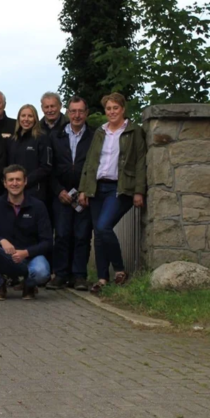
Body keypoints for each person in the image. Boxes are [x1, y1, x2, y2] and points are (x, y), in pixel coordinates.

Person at [79, 92, 146, 294]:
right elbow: (90, 162)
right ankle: (102, 278)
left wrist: (139, 191)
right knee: (98, 234)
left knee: (103, 226)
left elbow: (141, 162)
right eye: (108, 108)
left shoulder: (134, 131)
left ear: (123, 109)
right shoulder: (101, 132)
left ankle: (119, 269)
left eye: (115, 108)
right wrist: (83, 189)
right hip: (97, 187)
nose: (112, 112)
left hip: (120, 188)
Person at [0, 165, 52, 300]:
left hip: (30, 257)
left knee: (42, 272)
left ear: (25, 181)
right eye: (10, 180)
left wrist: (26, 253)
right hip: (4, 256)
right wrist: (1, 241)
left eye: (18, 179)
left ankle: (29, 285)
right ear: (5, 183)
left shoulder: (38, 206)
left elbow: (47, 241)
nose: (14, 183)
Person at [47, 96, 94, 291]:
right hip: (62, 193)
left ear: (86, 113)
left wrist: (86, 190)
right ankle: (60, 274)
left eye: (80, 111)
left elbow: (95, 166)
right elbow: (48, 168)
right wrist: (58, 190)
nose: (77, 115)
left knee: (82, 235)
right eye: (73, 111)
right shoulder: (55, 136)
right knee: (63, 234)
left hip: (84, 193)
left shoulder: (94, 136)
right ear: (67, 113)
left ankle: (79, 276)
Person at [6, 104, 52, 204]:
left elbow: (46, 167)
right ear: (18, 118)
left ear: (35, 119)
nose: (26, 119)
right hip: (13, 192)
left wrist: (24, 181)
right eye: (23, 116)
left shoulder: (42, 138)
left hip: (35, 192)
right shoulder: (12, 140)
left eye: (30, 116)